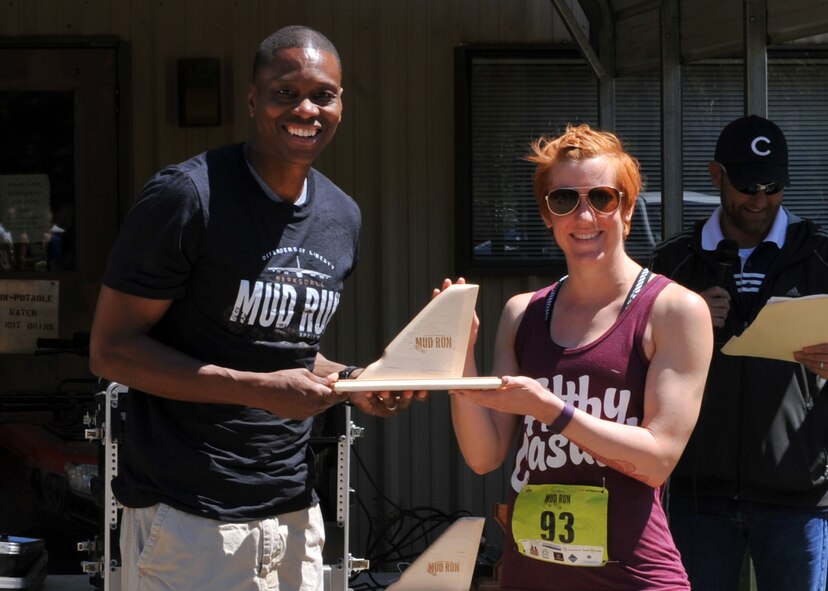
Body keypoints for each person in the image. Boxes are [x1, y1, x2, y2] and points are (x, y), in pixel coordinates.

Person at [89, 25, 413, 591]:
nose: (306, 109)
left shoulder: (341, 216)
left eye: (323, 95)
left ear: (341, 104)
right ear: (252, 99)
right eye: (286, 93)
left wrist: (354, 382)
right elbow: (111, 351)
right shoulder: (189, 196)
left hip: (293, 514)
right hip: (188, 518)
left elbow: (282, 350)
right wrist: (255, 389)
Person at [445, 123, 713, 590]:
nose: (584, 216)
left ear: (627, 209)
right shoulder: (522, 313)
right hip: (532, 575)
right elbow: (484, 456)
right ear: (547, 215)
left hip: (632, 578)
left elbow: (658, 460)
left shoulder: (674, 310)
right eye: (564, 200)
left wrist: (551, 410)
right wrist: (458, 357)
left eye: (602, 198)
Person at [650, 114, 828, 591]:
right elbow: (633, 361)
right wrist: (682, 321)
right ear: (716, 175)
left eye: (773, 187)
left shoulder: (821, 257)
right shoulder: (673, 262)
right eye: (747, 185)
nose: (759, 200)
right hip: (697, 494)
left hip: (798, 495)